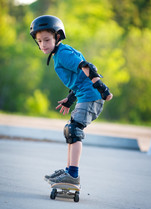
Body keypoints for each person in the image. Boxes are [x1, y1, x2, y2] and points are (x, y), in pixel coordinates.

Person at [30, 15, 113, 186]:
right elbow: (79, 78)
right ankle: (69, 171)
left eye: (47, 40)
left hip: (92, 96)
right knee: (70, 131)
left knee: (74, 131)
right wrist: (70, 99)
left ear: (57, 37)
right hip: (85, 95)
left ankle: (73, 174)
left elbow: (86, 66)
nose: (43, 45)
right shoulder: (60, 54)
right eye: (39, 41)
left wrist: (102, 88)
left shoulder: (63, 54)